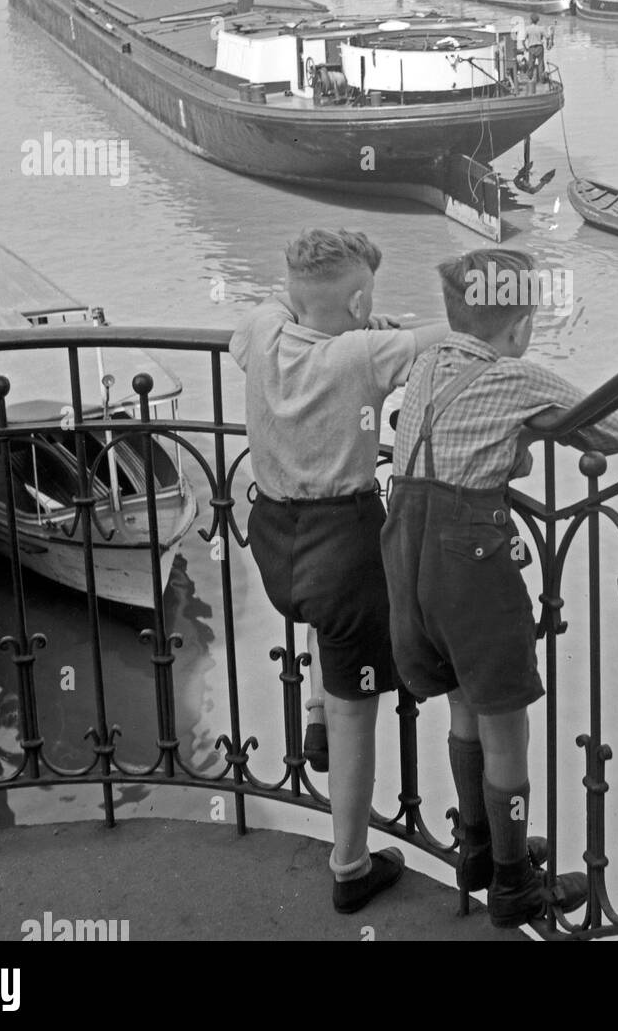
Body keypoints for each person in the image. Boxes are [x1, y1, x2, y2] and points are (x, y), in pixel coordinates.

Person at [380, 249, 618, 927]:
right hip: (470, 562)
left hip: (406, 559)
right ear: (521, 325)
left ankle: (480, 843)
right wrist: (530, 427)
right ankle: (515, 883)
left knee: (465, 701)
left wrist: (510, 444)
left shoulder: (426, 363)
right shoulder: (516, 376)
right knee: (507, 728)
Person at [231, 228, 449, 914]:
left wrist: (348, 314)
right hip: (342, 549)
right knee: (364, 713)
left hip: (271, 539)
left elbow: (274, 306)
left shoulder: (265, 330)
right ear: (359, 301)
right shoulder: (361, 355)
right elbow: (454, 337)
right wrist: (385, 329)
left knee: (315, 618)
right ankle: (351, 866)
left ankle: (316, 711)